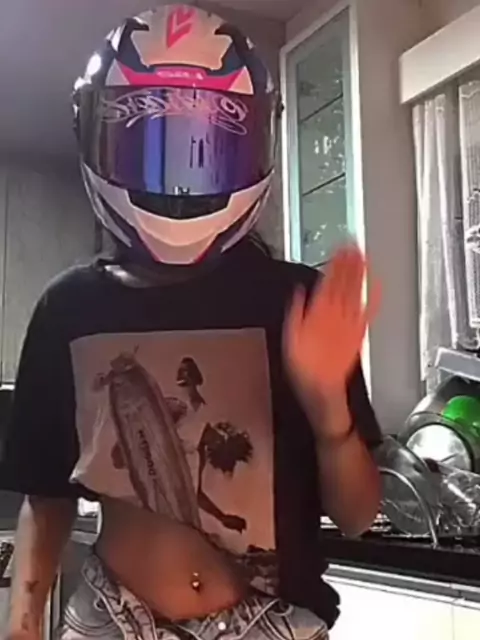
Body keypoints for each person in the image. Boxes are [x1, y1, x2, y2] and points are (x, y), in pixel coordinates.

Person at [1, 5, 382, 640]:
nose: (179, 182)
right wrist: (21, 625)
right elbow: (46, 495)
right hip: (112, 619)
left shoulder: (296, 303)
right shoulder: (68, 307)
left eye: (203, 152)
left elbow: (358, 517)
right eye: (154, 150)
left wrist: (330, 416)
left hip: (272, 622)